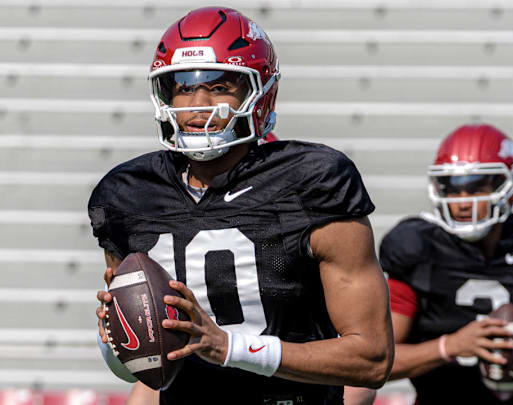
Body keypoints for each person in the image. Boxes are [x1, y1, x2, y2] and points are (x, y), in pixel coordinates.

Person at [91, 7, 394, 405]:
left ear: (262, 92)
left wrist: (230, 348)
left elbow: (371, 358)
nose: (197, 107)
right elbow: (148, 372)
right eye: (181, 87)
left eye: (219, 87)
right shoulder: (127, 194)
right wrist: (121, 343)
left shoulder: (312, 182)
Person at [375, 124, 513, 404]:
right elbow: (379, 361)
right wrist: (450, 346)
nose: (462, 202)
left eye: (476, 187)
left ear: (508, 185)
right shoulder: (419, 247)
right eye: (453, 189)